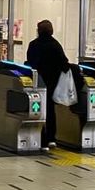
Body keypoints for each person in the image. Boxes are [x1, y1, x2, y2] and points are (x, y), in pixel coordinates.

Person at [26, 19, 71, 150]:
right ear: (51, 31)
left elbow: (30, 63)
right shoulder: (55, 45)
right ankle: (51, 138)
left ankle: (40, 138)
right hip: (53, 83)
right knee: (50, 111)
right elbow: (65, 64)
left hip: (38, 82)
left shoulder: (33, 44)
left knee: (37, 110)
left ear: (39, 31)